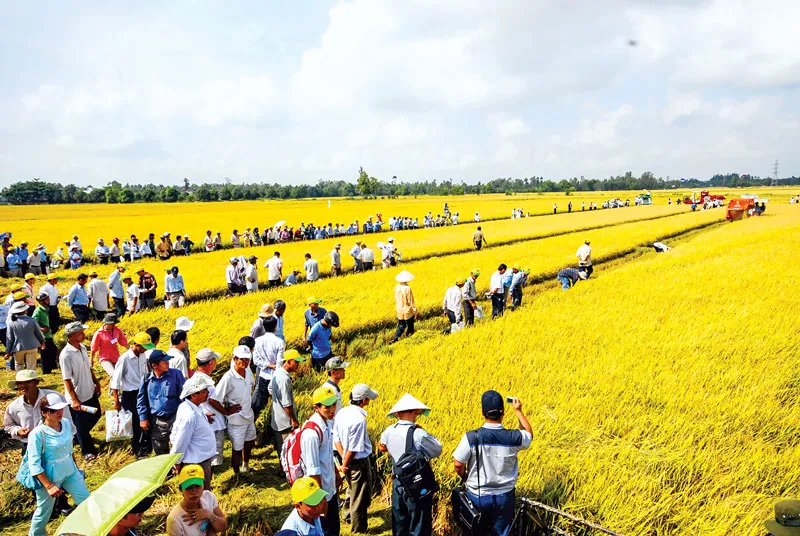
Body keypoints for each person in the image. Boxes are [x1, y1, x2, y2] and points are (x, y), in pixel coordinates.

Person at [453, 391, 532, 536]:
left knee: (475, 532)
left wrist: (465, 476)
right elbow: (528, 434)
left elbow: (458, 463)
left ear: (482, 412)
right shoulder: (514, 437)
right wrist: (519, 411)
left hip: (477, 496)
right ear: (503, 412)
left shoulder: (471, 437)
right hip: (504, 497)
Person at [379, 393, 443, 536]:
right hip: (416, 484)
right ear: (416, 411)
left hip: (397, 484)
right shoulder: (419, 434)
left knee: (400, 525)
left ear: (397, 413)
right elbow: (437, 450)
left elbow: (381, 446)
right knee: (419, 525)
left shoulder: (389, 431)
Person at [27, 393, 90, 536]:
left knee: (86, 500)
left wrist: (76, 468)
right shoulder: (38, 434)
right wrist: (49, 486)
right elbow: (34, 464)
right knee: (44, 511)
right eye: (54, 411)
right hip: (49, 477)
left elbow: (70, 448)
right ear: (44, 413)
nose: (59, 413)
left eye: (61, 409)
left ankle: (91, 529)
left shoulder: (66, 423)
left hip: (70, 471)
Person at [333, 384, 379, 534]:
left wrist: (342, 461)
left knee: (351, 488)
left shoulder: (342, 412)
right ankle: (358, 529)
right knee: (359, 495)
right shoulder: (359, 419)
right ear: (364, 400)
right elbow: (354, 448)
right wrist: (346, 463)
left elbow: (336, 439)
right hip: (357, 462)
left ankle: (346, 515)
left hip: (344, 458)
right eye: (368, 399)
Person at [300, 386, 340, 535]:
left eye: (334, 404)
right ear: (316, 407)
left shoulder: (327, 423)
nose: (332, 409)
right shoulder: (311, 433)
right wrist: (320, 501)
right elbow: (313, 470)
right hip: (320, 492)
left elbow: (328, 455)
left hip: (330, 489)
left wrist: (336, 473)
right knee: (326, 530)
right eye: (327, 406)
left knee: (334, 529)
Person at [59, 321, 101, 461]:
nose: (83, 334)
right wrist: (75, 399)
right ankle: (87, 450)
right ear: (71, 336)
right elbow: (67, 379)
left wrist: (96, 383)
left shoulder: (82, 347)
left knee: (96, 413)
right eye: (80, 332)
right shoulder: (66, 355)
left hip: (89, 390)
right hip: (78, 396)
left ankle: (79, 435)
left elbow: (89, 368)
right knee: (81, 424)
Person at [211, 345, 256, 474]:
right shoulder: (228, 378)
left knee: (249, 442)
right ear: (235, 359)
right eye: (242, 359)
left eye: (247, 359)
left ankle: (245, 465)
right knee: (237, 449)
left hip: (249, 416)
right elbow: (214, 399)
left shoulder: (247, 372)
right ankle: (237, 474)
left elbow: (251, 386)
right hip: (236, 421)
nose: (245, 362)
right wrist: (226, 411)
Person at [111, 332, 155, 459]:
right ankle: (137, 450)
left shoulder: (143, 356)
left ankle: (146, 447)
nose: (144, 350)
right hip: (130, 394)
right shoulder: (124, 359)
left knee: (145, 419)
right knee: (135, 423)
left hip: (143, 391)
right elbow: (115, 381)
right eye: (143, 347)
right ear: (136, 345)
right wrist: (116, 400)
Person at [170, 375, 218, 489]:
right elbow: (181, 441)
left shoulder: (192, 408)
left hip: (201, 460)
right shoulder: (189, 415)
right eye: (204, 390)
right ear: (193, 394)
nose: (207, 393)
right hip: (196, 464)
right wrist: (177, 462)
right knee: (199, 496)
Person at [137, 349, 185, 455]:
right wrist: (143, 418)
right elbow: (141, 400)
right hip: (157, 422)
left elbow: (185, 395)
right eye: (164, 362)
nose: (168, 363)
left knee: (179, 448)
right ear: (154, 366)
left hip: (175, 418)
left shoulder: (176, 374)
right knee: (160, 451)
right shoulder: (146, 379)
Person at [167, 464, 228, 535]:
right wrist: (210, 531)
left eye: (197, 486)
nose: (194, 491)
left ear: (204, 486)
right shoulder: (174, 519)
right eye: (189, 487)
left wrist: (210, 515)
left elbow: (224, 526)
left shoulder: (209, 497)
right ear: (181, 490)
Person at [269, 350, 306, 461]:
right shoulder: (284, 379)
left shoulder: (278, 372)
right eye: (296, 362)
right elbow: (287, 403)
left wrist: (277, 398)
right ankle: (286, 472)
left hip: (278, 419)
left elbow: (270, 389)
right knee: (287, 450)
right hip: (285, 422)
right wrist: (293, 419)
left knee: (282, 448)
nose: (298, 365)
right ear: (289, 361)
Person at [193, 349, 226, 468]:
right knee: (215, 451)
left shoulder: (195, 377)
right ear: (211, 363)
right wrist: (226, 412)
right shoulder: (206, 380)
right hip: (213, 420)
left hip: (204, 419)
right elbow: (212, 400)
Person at [251, 315, 285, 433]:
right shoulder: (279, 342)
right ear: (275, 327)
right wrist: (274, 366)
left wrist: (268, 365)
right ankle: (273, 430)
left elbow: (256, 361)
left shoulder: (257, 341)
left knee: (259, 403)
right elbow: (280, 364)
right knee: (277, 405)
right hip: (276, 378)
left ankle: (254, 429)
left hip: (263, 376)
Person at [6, 301, 45, 371]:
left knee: (18, 365)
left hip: (18, 348)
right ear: (25, 311)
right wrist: (42, 342)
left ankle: (20, 380)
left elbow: (10, 339)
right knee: (31, 367)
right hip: (32, 346)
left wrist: (8, 352)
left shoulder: (11, 322)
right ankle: (31, 380)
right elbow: (38, 333)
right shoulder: (32, 321)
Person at [31, 293, 58, 374]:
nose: (49, 300)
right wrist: (41, 329)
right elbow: (33, 323)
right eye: (46, 299)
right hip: (43, 336)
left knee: (53, 350)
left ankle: (51, 367)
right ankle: (46, 371)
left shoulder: (46, 309)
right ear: (41, 302)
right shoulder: (38, 311)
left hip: (48, 334)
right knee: (45, 353)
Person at [391, 270, 417, 344]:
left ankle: (395, 339)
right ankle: (409, 339)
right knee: (410, 325)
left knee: (401, 325)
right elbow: (410, 301)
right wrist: (415, 311)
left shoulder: (397, 287)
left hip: (399, 309)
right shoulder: (407, 288)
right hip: (407, 309)